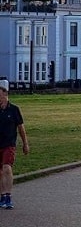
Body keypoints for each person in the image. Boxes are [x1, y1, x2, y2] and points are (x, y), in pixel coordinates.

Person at [0, 79, 29, 209]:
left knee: (7, 167)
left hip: (9, 144)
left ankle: (8, 195)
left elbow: (21, 128)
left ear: (5, 95)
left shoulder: (14, 110)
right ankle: (2, 195)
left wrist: (25, 143)